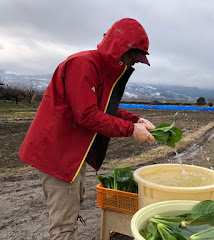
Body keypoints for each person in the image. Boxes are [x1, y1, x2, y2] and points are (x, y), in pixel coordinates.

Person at [18, 18, 155, 239]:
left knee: (71, 211)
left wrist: (136, 119)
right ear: (119, 48)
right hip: (58, 155)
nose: (134, 64)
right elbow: (87, 115)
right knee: (63, 226)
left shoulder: (103, 69)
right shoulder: (83, 64)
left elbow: (105, 109)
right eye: (133, 57)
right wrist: (130, 130)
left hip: (74, 154)